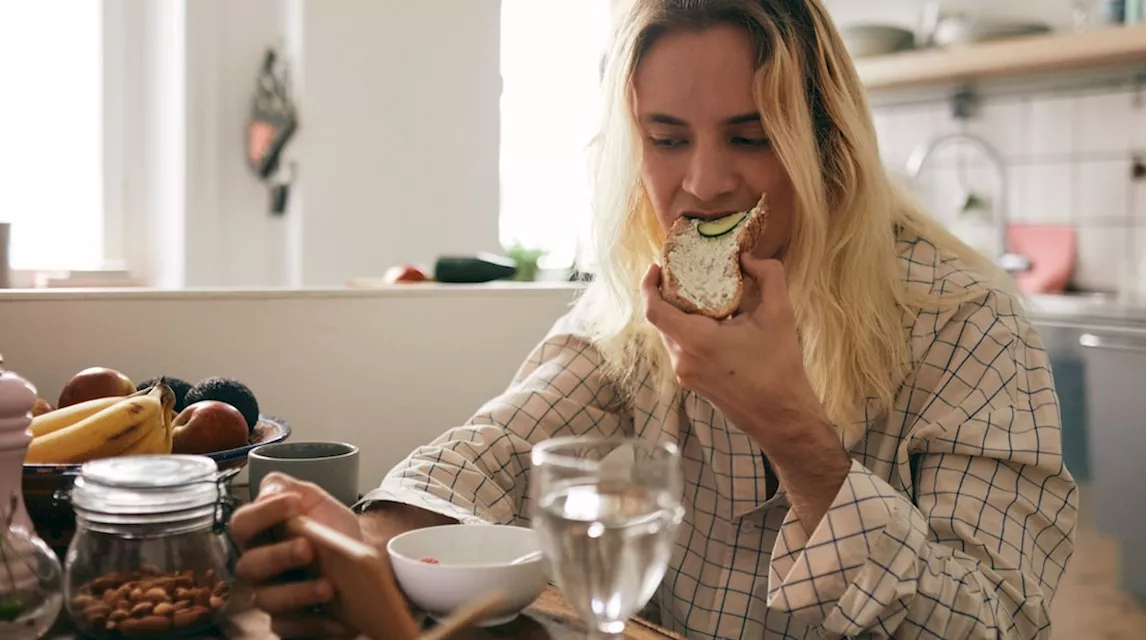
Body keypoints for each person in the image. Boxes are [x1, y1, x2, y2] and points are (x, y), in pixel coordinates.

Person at [229, 0, 1079, 638]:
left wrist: (797, 437)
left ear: (829, 145)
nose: (705, 183)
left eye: (750, 137)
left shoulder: (967, 326)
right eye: (668, 140)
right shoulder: (635, 319)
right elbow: (487, 459)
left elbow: (994, 620)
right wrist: (364, 548)